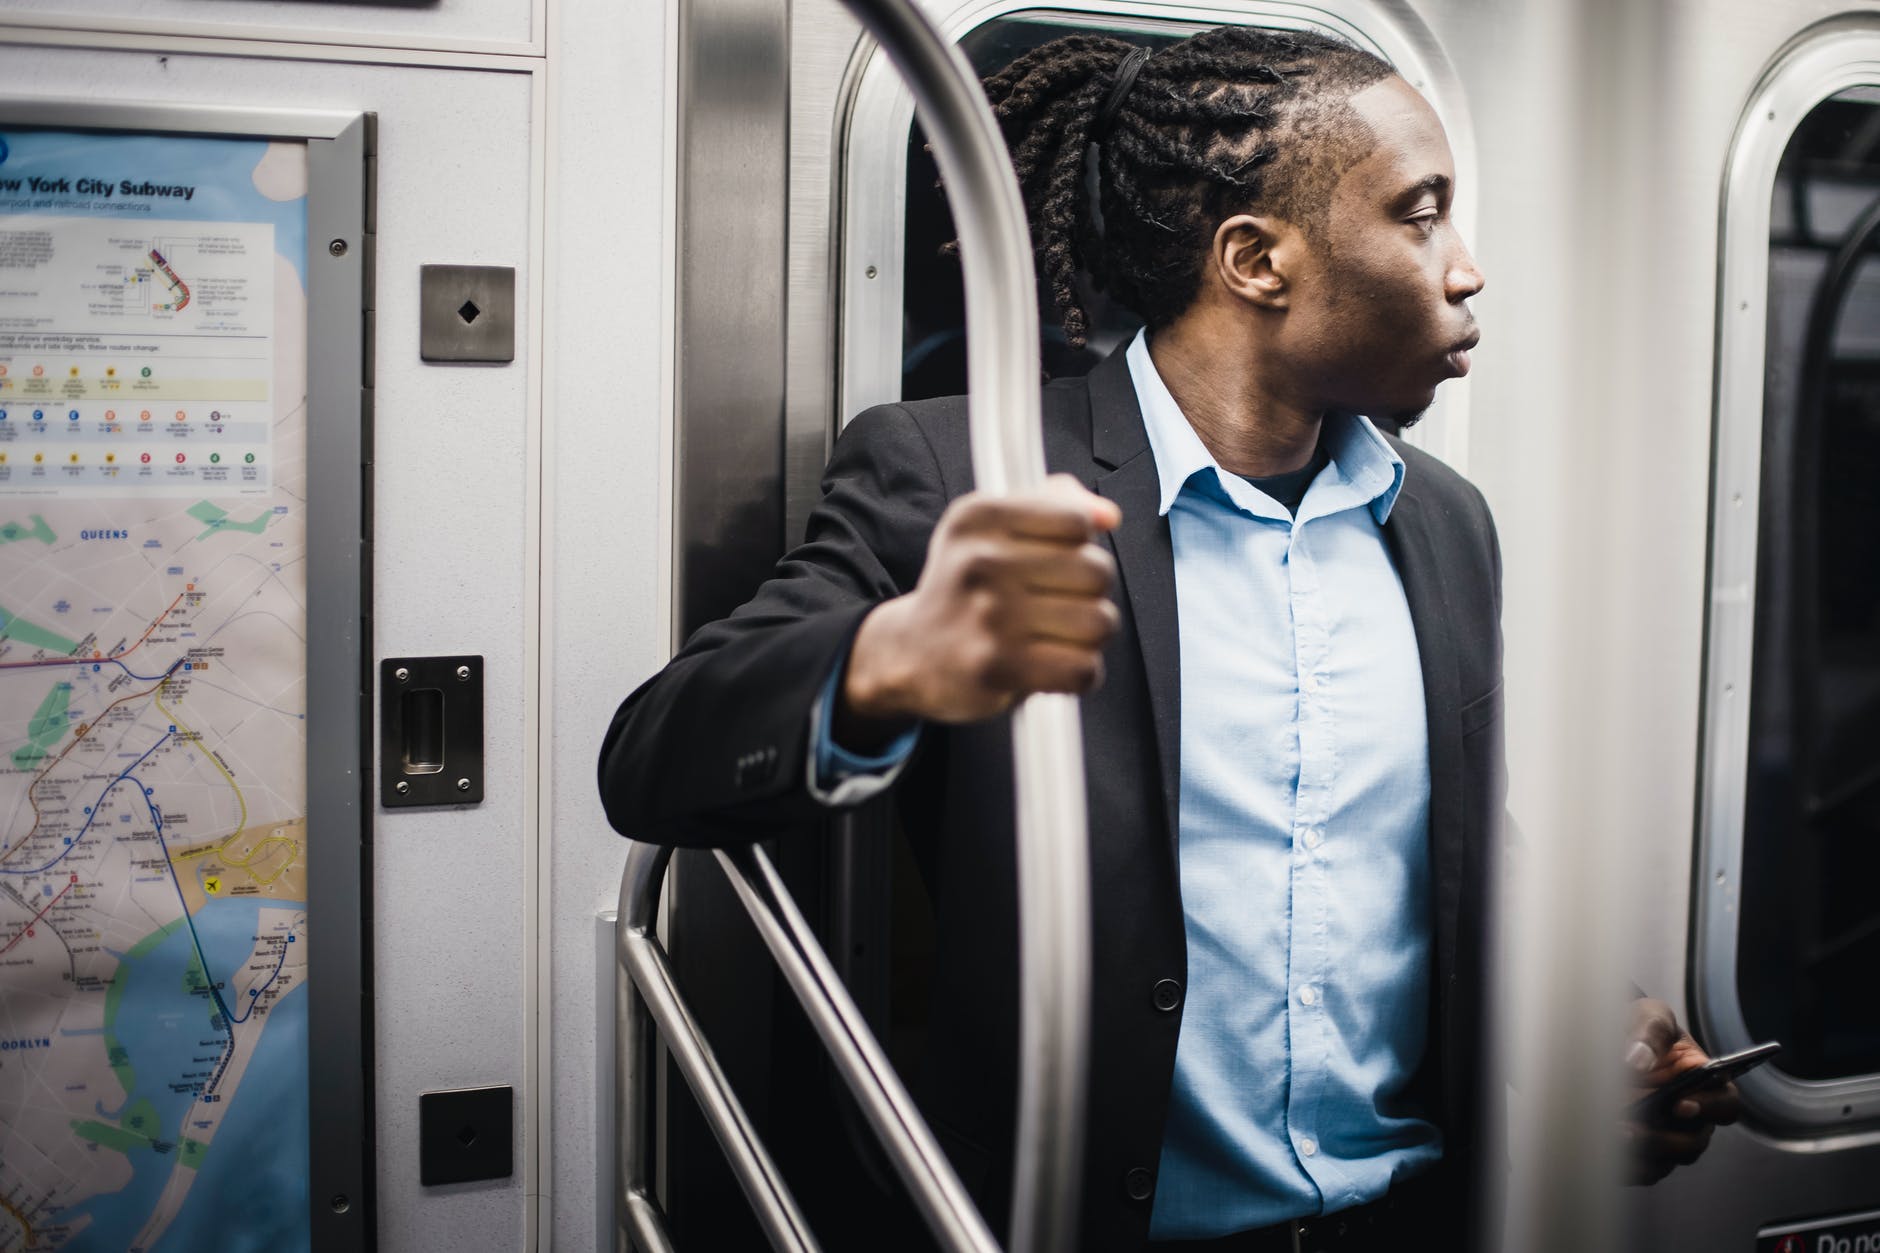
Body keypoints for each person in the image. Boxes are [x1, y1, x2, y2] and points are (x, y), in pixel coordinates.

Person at [599, 26, 1735, 1251]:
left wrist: (1587, 1035)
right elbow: (652, 756)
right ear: (1254, 260)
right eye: (1420, 215)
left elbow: (1449, 854)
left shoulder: (1443, 525)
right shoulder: (959, 474)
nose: (1464, 271)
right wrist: (887, 654)